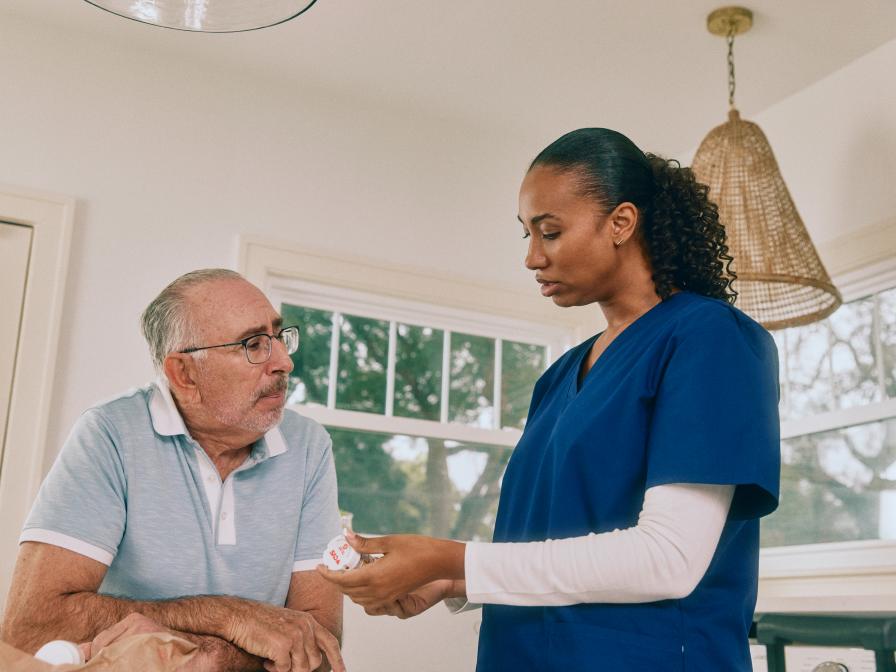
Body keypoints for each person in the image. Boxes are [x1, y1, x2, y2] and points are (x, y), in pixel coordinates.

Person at [318, 128, 780, 670]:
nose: (533, 257)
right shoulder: (562, 375)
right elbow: (553, 543)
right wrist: (448, 578)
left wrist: (456, 558)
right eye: (527, 236)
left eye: (551, 232)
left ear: (621, 223)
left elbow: (669, 559)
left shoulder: (709, 339)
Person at [1, 269, 346, 672]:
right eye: (254, 344)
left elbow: (319, 646)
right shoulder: (111, 432)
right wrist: (227, 617)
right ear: (184, 375)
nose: (284, 361)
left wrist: (212, 657)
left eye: (278, 336)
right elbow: (31, 627)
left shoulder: (309, 446)